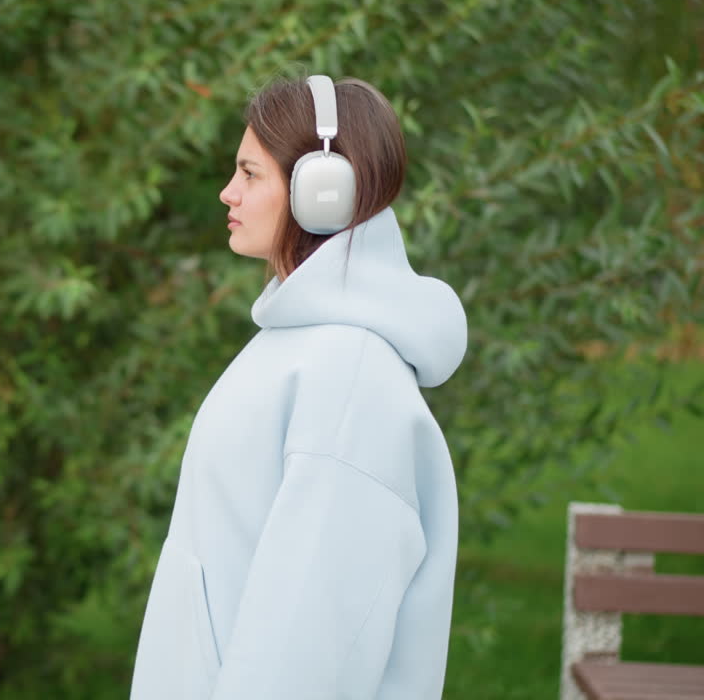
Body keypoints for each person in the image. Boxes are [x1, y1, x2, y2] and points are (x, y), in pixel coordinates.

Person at [128, 73, 468, 700]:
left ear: (324, 190)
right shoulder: (299, 346)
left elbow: (309, 642)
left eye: (251, 174)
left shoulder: (349, 379)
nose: (228, 193)